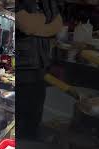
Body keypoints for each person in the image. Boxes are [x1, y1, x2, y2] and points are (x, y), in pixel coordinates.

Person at [16, 0, 63, 139]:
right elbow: (27, 25)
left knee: (34, 119)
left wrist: (36, 25)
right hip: (22, 72)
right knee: (20, 120)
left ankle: (30, 148)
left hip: (40, 71)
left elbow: (58, 25)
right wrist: (47, 20)